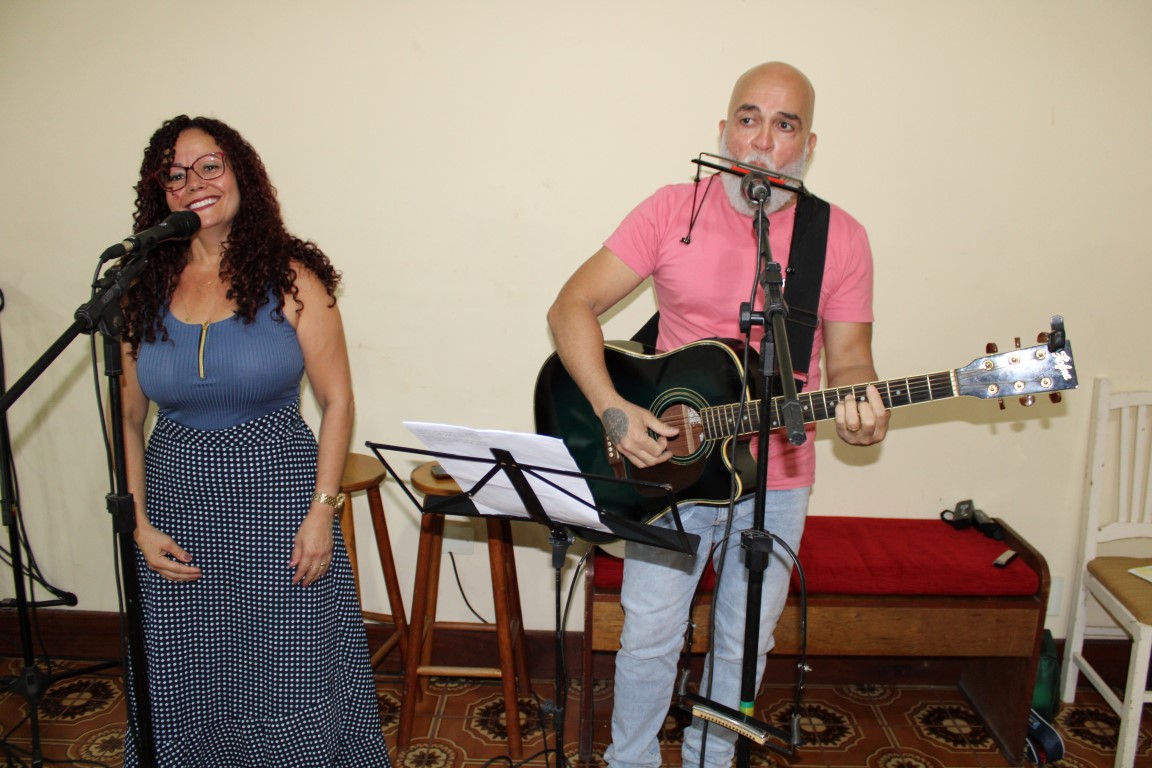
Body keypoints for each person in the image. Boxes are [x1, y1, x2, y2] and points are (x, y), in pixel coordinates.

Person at [546, 62, 890, 767]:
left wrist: (864, 400)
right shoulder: (672, 211)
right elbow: (570, 307)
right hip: (668, 468)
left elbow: (851, 359)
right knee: (649, 634)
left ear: (808, 146)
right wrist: (613, 410)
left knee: (744, 643)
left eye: (784, 125)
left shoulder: (839, 238)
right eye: (748, 119)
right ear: (723, 129)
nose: (762, 142)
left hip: (777, 476)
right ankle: (631, 761)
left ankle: (712, 760)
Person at [116, 115, 391, 767]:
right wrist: (138, 524)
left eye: (209, 166)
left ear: (241, 173)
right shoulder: (140, 287)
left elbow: (338, 401)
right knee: (187, 674)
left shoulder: (293, 279)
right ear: (160, 193)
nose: (194, 184)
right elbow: (125, 418)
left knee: (287, 671)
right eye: (175, 175)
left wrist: (323, 511)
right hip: (177, 513)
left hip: (279, 507)